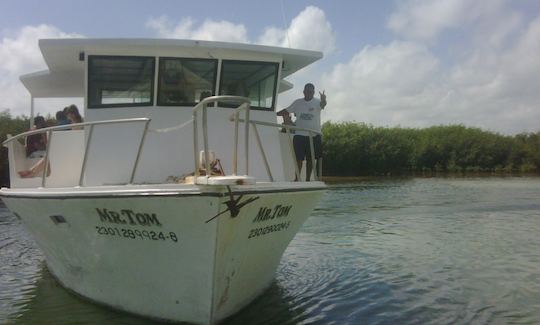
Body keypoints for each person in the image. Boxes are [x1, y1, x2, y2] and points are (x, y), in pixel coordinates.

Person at [277, 83, 327, 181]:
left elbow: (323, 105)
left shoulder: (318, 102)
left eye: (311, 92)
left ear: (313, 92)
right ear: (303, 92)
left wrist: (324, 99)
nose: (309, 93)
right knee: (298, 158)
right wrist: (273, 113)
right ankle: (297, 179)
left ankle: (308, 179)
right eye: (307, 91)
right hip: (299, 135)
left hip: (314, 135)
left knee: (311, 159)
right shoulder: (297, 102)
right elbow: (286, 111)